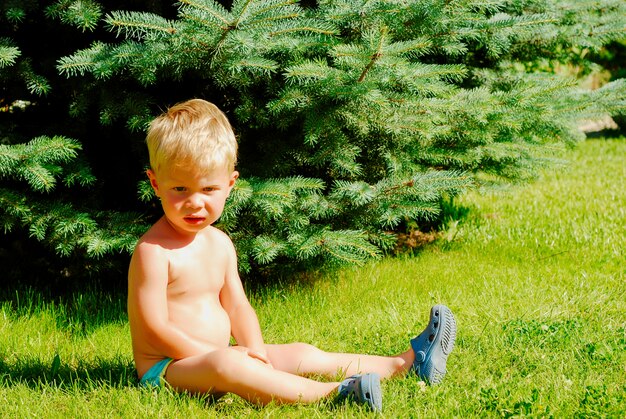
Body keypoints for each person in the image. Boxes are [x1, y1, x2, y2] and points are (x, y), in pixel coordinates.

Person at [127, 98, 457, 411]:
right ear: (156, 185)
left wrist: (255, 351)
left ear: (230, 184)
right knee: (228, 363)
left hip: (217, 355)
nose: (196, 202)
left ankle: (406, 365)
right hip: (169, 369)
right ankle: (334, 395)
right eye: (180, 189)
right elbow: (156, 328)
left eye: (209, 189)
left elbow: (238, 306)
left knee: (302, 354)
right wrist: (220, 355)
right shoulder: (153, 252)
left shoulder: (219, 243)